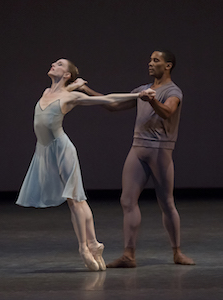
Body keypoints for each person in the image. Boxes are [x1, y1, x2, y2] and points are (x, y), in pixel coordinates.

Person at [16, 58, 156, 271]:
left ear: (66, 74)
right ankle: (93, 244)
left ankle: (84, 248)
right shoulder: (48, 92)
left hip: (62, 150)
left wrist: (138, 95)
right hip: (45, 151)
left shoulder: (71, 97)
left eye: (60, 64)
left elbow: (108, 100)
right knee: (76, 201)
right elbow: (60, 91)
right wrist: (73, 84)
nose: (54, 64)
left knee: (75, 200)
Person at [77, 50, 195, 267]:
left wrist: (151, 101)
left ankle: (177, 252)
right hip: (138, 148)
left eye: (156, 60)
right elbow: (113, 104)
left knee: (167, 202)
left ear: (168, 66)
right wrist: (85, 90)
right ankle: (128, 255)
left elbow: (167, 111)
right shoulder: (143, 90)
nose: (150, 63)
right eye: (150, 60)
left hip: (160, 151)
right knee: (127, 201)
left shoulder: (173, 91)